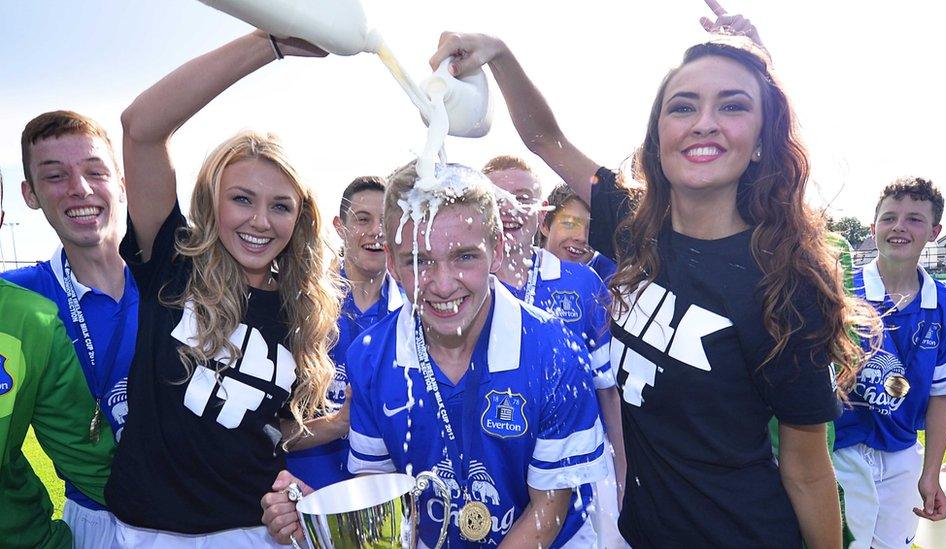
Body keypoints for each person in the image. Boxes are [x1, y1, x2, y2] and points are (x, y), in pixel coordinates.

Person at [430, 10, 878, 549]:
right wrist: (498, 51)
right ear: (658, 136)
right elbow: (545, 138)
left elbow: (807, 468)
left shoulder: (785, 285)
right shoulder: (634, 227)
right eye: (683, 106)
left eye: (732, 106)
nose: (704, 122)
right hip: (644, 533)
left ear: (762, 138)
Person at [261, 162, 608, 547]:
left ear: (495, 249)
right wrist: (329, 517)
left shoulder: (555, 349)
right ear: (392, 263)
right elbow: (382, 493)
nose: (443, 285)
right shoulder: (372, 357)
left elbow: (549, 509)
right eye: (418, 261)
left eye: (464, 256)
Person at [103, 31, 344, 546]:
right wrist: (270, 43)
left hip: (255, 530)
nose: (260, 221)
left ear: (300, 219)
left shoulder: (300, 306)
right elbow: (140, 128)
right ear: (214, 203)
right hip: (150, 531)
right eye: (242, 199)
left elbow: (272, 426)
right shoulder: (172, 261)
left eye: (281, 205)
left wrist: (348, 421)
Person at [1, 110, 138, 548]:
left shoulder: (180, 282)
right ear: (30, 194)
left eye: (94, 171)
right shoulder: (19, 301)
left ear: (121, 180)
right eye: (55, 175)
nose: (79, 188)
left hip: (202, 513)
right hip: (94, 518)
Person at [481, 155, 625, 545]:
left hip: (574, 497)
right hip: (489, 481)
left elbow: (606, 389)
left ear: (540, 213)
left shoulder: (582, 284)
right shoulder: (458, 288)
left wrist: (622, 478)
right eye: (496, 198)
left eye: (523, 198)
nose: (509, 210)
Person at [833, 177, 946, 548]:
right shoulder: (837, 289)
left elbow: (943, 395)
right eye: (889, 217)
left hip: (901, 454)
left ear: (934, 231)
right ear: (873, 226)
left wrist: (931, 472)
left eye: (914, 218)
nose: (899, 226)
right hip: (837, 448)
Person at [286, 175, 403, 490]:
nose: (376, 231)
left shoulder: (412, 315)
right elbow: (269, 430)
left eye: (386, 221)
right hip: (304, 493)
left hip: (379, 496)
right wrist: (338, 423)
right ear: (340, 227)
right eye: (362, 219)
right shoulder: (301, 304)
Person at [540, 183, 617, 281]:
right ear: (544, 224)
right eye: (570, 224)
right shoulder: (519, 271)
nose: (582, 237)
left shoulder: (607, 281)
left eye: (593, 228)